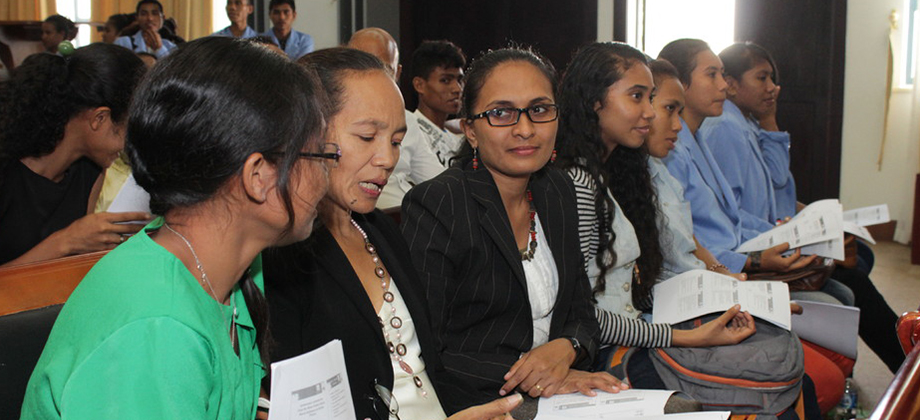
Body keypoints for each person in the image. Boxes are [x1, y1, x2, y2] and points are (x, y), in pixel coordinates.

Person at [20, 36, 330, 419]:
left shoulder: (236, 273)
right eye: (321, 155)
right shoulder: (157, 327)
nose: (325, 177)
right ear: (258, 176)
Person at [264, 47, 524, 420]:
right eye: (368, 136)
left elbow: (428, 368)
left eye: (397, 141)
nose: (388, 159)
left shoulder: (380, 230)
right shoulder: (279, 258)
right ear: (306, 133)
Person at [402, 47, 627, 413]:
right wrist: (537, 376)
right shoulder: (439, 204)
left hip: (561, 388)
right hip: (483, 400)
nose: (525, 129)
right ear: (471, 130)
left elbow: (582, 312)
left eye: (539, 110)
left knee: (681, 409)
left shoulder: (558, 189)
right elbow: (430, 347)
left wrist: (566, 347)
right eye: (501, 113)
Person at [554, 43, 756, 385]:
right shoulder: (578, 182)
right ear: (594, 101)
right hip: (601, 350)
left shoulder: (616, 170)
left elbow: (632, 285)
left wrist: (706, 298)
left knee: (762, 349)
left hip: (636, 327)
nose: (649, 112)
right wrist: (682, 336)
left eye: (650, 98)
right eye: (637, 97)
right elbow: (583, 315)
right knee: (748, 370)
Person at [698, 41, 905, 375]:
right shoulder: (724, 128)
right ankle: (905, 361)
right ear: (734, 86)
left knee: (857, 262)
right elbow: (729, 214)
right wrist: (785, 234)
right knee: (850, 281)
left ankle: (900, 362)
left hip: (768, 235)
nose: (772, 87)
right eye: (762, 78)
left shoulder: (745, 122)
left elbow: (778, 179)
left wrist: (769, 120)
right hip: (753, 248)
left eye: (772, 79)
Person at [0, 44, 150, 267]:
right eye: (130, 127)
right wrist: (64, 243)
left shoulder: (90, 171)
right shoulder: (7, 172)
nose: (130, 144)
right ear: (99, 118)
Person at [346, 28, 445, 209]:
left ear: (397, 74)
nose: (373, 79)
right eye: (363, 68)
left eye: (383, 70)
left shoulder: (407, 121)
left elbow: (438, 179)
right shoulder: (331, 118)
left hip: (405, 218)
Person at [410, 40, 466, 167]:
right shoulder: (408, 132)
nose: (457, 89)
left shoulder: (460, 138)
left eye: (459, 80)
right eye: (445, 80)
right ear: (419, 85)